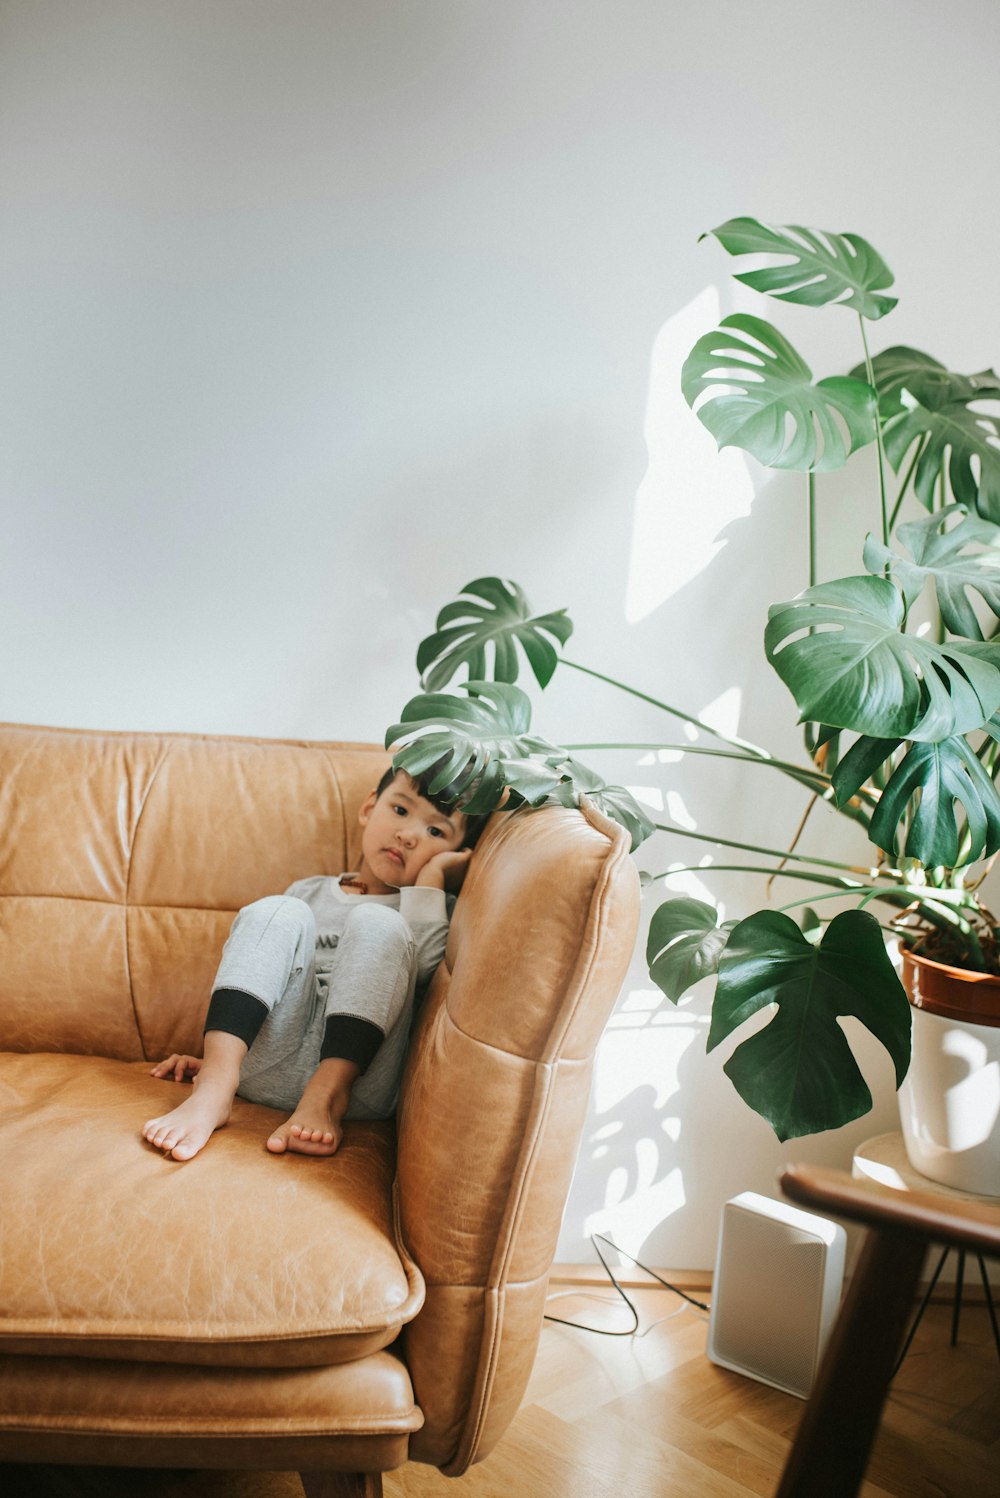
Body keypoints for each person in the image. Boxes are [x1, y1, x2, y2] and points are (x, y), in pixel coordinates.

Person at [141, 767, 482, 1162]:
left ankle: (325, 1098)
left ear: (457, 854)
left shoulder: (431, 907)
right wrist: (216, 1054)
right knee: (276, 910)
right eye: (400, 811)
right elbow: (264, 970)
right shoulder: (308, 893)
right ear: (370, 807)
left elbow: (423, 972)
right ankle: (216, 1085)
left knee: (378, 922)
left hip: (359, 1081)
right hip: (265, 1063)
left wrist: (431, 881)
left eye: (436, 832)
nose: (408, 835)